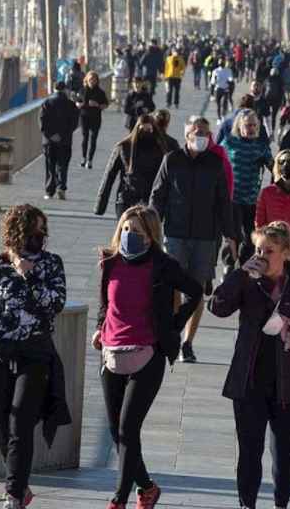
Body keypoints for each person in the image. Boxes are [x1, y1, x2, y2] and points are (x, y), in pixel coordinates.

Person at [0, 204, 69, 509]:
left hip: (36, 355)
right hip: (1, 354)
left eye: (43, 232)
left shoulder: (51, 265)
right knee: (5, 427)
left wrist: (29, 278)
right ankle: (20, 484)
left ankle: (13, 495)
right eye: (34, 231)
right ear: (18, 232)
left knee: (21, 419)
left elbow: (56, 303)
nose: (40, 237)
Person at [92, 205, 203, 509]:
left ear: (151, 236)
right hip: (111, 353)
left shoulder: (163, 265)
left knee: (129, 429)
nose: (129, 236)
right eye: (125, 230)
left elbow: (195, 291)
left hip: (147, 354)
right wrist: (100, 329)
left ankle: (118, 500)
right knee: (117, 432)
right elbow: (105, 304)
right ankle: (147, 487)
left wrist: (173, 327)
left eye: (137, 232)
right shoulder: (110, 263)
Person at [208, 221, 290, 509]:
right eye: (258, 249)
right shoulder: (247, 283)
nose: (261, 255)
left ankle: (280, 505)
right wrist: (239, 274)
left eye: (268, 250)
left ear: (286, 252)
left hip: (289, 385)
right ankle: (247, 505)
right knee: (249, 451)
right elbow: (217, 306)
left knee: (283, 452)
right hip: (248, 381)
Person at [150, 117, 237, 363]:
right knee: (173, 285)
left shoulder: (215, 163)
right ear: (187, 135)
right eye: (197, 132)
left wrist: (231, 235)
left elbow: (223, 202)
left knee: (196, 291)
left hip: (206, 237)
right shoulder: (172, 160)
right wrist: (151, 226)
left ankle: (188, 342)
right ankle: (174, 333)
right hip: (175, 234)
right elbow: (157, 196)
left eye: (206, 133)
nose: (202, 137)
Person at [220, 110, 273, 267]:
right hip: (232, 198)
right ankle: (229, 266)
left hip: (251, 200)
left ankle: (242, 269)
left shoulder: (261, 146)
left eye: (254, 125)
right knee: (233, 236)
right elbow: (216, 159)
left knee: (251, 239)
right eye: (247, 125)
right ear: (239, 126)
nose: (251, 128)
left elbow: (274, 167)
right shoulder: (229, 142)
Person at [95, 115, 173, 217]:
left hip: (150, 201)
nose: (145, 132)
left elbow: (170, 178)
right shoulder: (124, 147)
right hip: (127, 199)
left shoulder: (162, 148)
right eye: (143, 129)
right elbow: (109, 175)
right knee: (127, 231)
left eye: (148, 129)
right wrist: (100, 205)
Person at [40, 81, 80, 200]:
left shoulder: (46, 103)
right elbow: (74, 123)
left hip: (49, 142)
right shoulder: (71, 104)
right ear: (65, 90)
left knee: (50, 166)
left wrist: (51, 135)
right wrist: (63, 135)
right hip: (65, 141)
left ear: (54, 89)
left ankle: (49, 191)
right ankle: (61, 187)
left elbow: (42, 122)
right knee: (63, 165)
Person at [77, 71, 110, 169]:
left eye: (94, 79)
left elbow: (106, 105)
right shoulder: (82, 90)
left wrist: (97, 105)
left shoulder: (100, 92)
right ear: (86, 80)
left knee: (93, 139)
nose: (92, 81)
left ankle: (90, 160)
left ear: (97, 81)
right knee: (85, 137)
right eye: (90, 79)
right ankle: (83, 158)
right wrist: (79, 104)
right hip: (84, 117)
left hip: (95, 117)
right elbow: (77, 102)